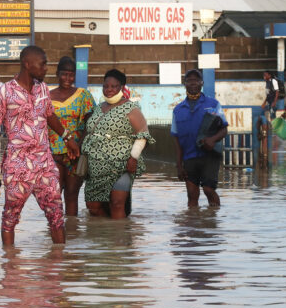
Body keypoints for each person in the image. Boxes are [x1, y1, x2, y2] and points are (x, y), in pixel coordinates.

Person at [0, 45, 80, 245]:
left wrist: (67, 137)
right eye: (42, 64)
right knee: (10, 218)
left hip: (45, 164)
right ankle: (10, 268)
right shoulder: (4, 92)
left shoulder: (43, 88)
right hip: (18, 166)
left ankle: (58, 268)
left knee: (57, 217)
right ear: (27, 64)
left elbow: (49, 114)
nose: (46, 68)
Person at [81, 69, 154, 219]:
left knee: (117, 203)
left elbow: (142, 134)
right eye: (106, 86)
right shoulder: (98, 108)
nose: (109, 90)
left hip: (122, 165)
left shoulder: (131, 108)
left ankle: (119, 239)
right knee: (93, 207)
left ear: (121, 87)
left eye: (114, 86)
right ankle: (105, 236)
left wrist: (133, 158)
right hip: (96, 167)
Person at [171, 69, 228, 207]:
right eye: (189, 80)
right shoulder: (178, 110)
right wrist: (179, 165)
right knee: (192, 195)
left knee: (208, 189)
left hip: (209, 155)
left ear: (201, 83)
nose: (193, 83)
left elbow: (224, 129)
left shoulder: (213, 104)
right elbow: (177, 140)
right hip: (189, 157)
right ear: (184, 84)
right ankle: (194, 225)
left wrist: (212, 140)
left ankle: (213, 220)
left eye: (196, 80)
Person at [48, 57, 96, 216]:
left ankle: (72, 232)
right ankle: (55, 233)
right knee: (53, 196)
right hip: (53, 153)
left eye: (71, 75)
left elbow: (91, 123)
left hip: (76, 153)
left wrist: (79, 147)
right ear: (57, 74)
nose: (67, 79)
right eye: (64, 74)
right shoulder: (47, 97)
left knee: (71, 195)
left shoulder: (83, 95)